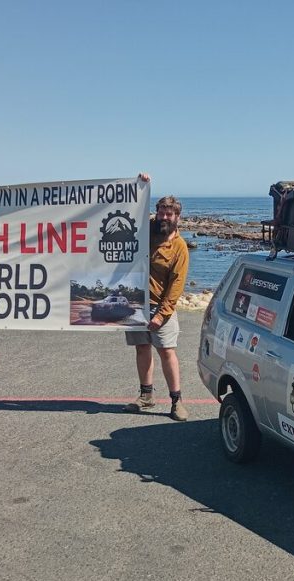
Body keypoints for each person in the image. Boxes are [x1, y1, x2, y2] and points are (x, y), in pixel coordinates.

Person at [123, 174, 190, 421]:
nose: (163, 217)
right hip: (135, 304)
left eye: (169, 213)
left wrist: (162, 315)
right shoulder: (147, 232)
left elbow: (177, 285)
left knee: (167, 352)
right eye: (161, 212)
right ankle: (146, 396)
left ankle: (176, 401)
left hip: (160, 308)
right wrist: (140, 184)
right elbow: (130, 209)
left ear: (177, 217)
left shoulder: (180, 247)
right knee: (142, 348)